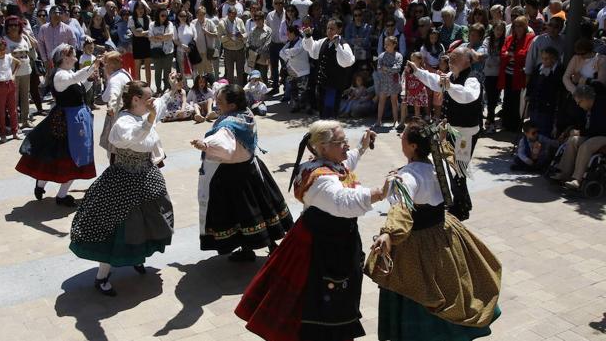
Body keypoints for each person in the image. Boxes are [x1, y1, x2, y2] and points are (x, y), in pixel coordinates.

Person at [235, 120, 389, 341]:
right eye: (341, 142)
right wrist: (380, 192)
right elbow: (343, 202)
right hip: (322, 249)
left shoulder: (327, 164)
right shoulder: (320, 180)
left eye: (346, 140)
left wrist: (362, 146)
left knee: (330, 297)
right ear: (323, 147)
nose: (346, 145)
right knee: (319, 302)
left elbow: (347, 165)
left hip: (331, 241)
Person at [368, 118, 502, 341]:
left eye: (403, 138)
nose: (401, 140)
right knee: (449, 285)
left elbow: (402, 206)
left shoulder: (408, 176)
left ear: (412, 146)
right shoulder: (436, 162)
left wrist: (388, 233)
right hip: (444, 231)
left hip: (418, 243)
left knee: (419, 289)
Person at [69, 81, 174, 296]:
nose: (152, 102)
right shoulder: (123, 122)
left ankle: (136, 258)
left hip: (146, 177)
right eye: (148, 98)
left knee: (147, 222)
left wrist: (172, 88)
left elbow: (160, 105)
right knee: (116, 227)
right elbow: (131, 139)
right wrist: (151, 118)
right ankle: (102, 277)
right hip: (123, 181)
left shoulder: (145, 113)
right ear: (135, 100)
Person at [191, 84, 293, 261]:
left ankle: (254, 249)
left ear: (232, 105)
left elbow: (224, 143)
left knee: (240, 214)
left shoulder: (228, 125)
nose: (216, 104)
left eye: (220, 101)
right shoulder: (246, 114)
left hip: (233, 177)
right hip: (252, 169)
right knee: (260, 208)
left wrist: (205, 145)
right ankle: (264, 247)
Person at [16, 44, 99, 206]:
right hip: (66, 123)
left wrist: (89, 80)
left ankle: (47, 188)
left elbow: (79, 89)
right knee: (70, 158)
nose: (75, 58)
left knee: (59, 157)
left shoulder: (67, 73)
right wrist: (93, 66)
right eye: (73, 55)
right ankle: (56, 194)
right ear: (64, 58)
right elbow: (74, 80)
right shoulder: (60, 75)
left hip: (76, 121)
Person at [407, 46, 482, 220]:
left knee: (459, 170)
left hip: (465, 134)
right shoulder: (451, 76)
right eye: (450, 57)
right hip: (453, 130)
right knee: (453, 168)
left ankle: (461, 209)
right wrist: (417, 71)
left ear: (467, 61)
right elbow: (435, 81)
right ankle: (464, 202)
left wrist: (450, 87)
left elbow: (467, 96)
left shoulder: (473, 79)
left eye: (455, 57)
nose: (451, 60)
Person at [552, 85, 606, 190]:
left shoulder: (602, 106)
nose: (578, 104)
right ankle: (564, 174)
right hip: (593, 136)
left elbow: (599, 128)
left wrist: (581, 132)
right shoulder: (587, 108)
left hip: (603, 135)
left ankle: (577, 179)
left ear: (586, 99)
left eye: (579, 102)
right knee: (573, 140)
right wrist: (576, 132)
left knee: (586, 145)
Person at [302, 19, 355, 117]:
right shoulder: (323, 41)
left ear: (339, 30)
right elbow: (312, 51)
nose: (329, 31)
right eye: (328, 28)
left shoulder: (344, 44)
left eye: (332, 29)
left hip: (334, 86)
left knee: (329, 112)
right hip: (322, 84)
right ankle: (323, 131)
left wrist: (338, 46)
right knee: (322, 111)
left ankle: (330, 131)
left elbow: (347, 62)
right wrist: (308, 37)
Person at [498, 16, 535, 132]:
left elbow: (525, 55)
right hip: (508, 74)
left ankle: (515, 125)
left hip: (519, 75)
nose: (518, 28)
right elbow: (503, 53)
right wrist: (512, 55)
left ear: (525, 27)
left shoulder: (530, 38)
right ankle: (506, 124)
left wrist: (512, 55)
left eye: (520, 26)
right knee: (507, 99)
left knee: (517, 101)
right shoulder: (509, 38)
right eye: (516, 26)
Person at [99, 51, 133, 160]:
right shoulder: (124, 74)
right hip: (129, 114)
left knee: (114, 150)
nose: (104, 67)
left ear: (111, 65)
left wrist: (111, 107)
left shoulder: (115, 79)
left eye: (105, 64)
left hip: (117, 117)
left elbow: (113, 94)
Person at [3, 15, 34, 129]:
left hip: (26, 72)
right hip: (12, 74)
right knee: (13, 99)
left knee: (25, 97)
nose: (13, 27)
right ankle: (14, 124)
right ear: (7, 27)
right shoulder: (4, 41)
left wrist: (27, 34)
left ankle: (25, 120)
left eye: (15, 25)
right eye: (10, 25)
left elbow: (31, 49)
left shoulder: (24, 38)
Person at [526, 47, 564, 137]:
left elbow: (557, 87)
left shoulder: (559, 70)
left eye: (546, 59)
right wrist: (528, 95)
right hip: (535, 104)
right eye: (543, 58)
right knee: (533, 129)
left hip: (547, 107)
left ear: (554, 59)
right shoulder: (539, 67)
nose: (544, 61)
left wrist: (548, 76)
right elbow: (531, 83)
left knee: (544, 130)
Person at [280, 24, 310, 113]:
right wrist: (290, 55)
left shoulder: (302, 42)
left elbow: (296, 51)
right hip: (292, 70)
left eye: (289, 33)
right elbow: (280, 53)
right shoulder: (289, 43)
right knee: (294, 90)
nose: (287, 35)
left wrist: (288, 54)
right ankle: (296, 106)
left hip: (302, 70)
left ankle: (307, 107)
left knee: (303, 90)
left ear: (294, 33)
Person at [374, 36, 403, 129]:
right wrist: (389, 69)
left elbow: (397, 69)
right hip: (384, 81)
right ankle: (378, 121)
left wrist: (386, 68)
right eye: (385, 44)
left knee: (394, 101)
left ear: (394, 45)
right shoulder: (381, 55)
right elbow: (379, 68)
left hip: (394, 82)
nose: (385, 46)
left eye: (388, 44)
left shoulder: (398, 56)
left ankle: (396, 121)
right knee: (381, 101)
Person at [149, 7, 175, 95]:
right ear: (158, 15)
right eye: (162, 15)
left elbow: (171, 35)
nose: (164, 17)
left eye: (166, 15)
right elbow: (150, 37)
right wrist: (164, 37)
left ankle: (166, 88)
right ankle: (158, 89)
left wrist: (158, 37)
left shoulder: (170, 24)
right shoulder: (152, 24)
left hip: (168, 51)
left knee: (167, 71)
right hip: (156, 52)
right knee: (158, 71)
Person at [218, 6, 247, 85]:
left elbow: (245, 34)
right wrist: (228, 36)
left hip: (240, 49)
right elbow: (220, 38)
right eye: (231, 15)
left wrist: (242, 36)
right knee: (229, 71)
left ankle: (240, 88)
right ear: (228, 14)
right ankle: (230, 89)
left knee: (240, 71)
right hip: (228, 50)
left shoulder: (240, 21)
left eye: (235, 15)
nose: (233, 17)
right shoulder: (222, 23)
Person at [128, 1, 152, 85]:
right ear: (135, 10)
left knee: (147, 67)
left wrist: (142, 33)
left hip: (147, 44)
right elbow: (136, 34)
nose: (140, 10)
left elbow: (151, 32)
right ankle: (139, 87)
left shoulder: (148, 18)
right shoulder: (131, 19)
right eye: (138, 9)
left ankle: (148, 86)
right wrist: (146, 33)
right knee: (137, 67)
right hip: (137, 45)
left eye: (142, 8)